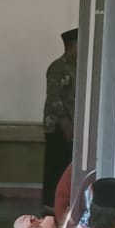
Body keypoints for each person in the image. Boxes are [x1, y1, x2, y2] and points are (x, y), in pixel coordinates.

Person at [41, 29, 77, 209]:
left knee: (66, 166)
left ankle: (61, 202)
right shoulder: (58, 67)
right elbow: (55, 98)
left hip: (69, 125)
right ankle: (49, 204)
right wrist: (66, 124)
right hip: (57, 126)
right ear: (72, 45)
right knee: (55, 166)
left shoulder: (75, 67)